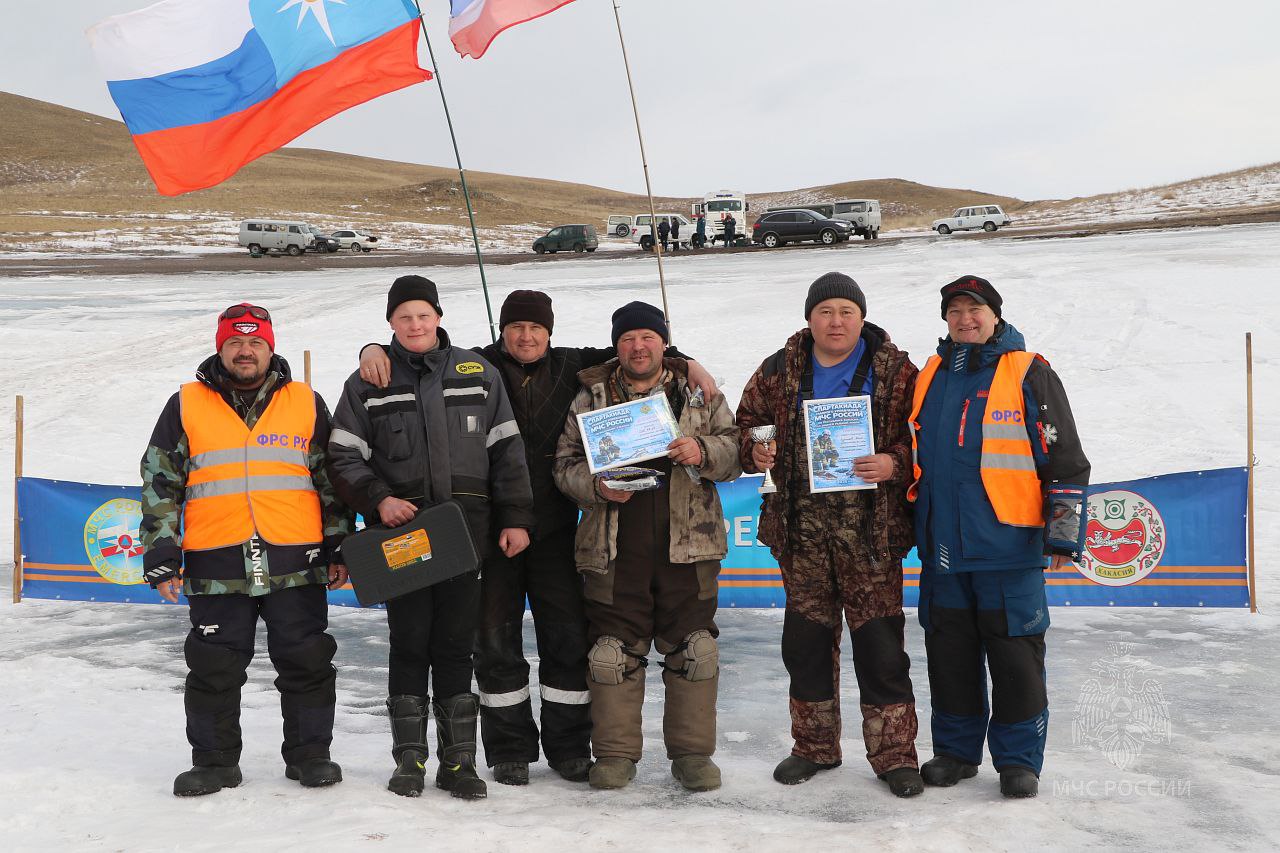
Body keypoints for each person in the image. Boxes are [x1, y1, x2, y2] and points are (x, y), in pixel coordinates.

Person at [356, 292, 719, 788]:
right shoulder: (475, 366)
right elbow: (422, 351)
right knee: (493, 641)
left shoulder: (574, 365)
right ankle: (509, 749)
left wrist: (688, 361)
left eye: (536, 327)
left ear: (550, 331)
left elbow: (635, 351)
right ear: (501, 330)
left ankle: (569, 748)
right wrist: (372, 348)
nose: (526, 336)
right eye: (515, 327)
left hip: (555, 529)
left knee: (566, 638)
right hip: (492, 531)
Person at [328, 275, 535, 801]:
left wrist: (516, 517)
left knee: (454, 646)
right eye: (404, 317)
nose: (415, 325)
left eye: (423, 315)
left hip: (466, 536)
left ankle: (459, 763)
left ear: (438, 317)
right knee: (409, 642)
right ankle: (410, 760)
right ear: (390, 324)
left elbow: (508, 452)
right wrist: (378, 499)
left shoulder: (477, 371)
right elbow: (342, 457)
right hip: (400, 537)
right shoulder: (366, 381)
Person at [139, 303, 353, 797]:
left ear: (270, 348)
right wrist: (162, 550)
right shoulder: (186, 403)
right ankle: (214, 762)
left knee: (306, 658)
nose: (245, 351)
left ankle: (310, 755)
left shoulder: (305, 400)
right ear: (221, 347)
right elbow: (159, 479)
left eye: (255, 342)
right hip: (216, 558)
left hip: (294, 557)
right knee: (213, 663)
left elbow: (332, 479)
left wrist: (339, 543)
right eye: (235, 342)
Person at [735, 273, 924, 798]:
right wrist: (756, 450)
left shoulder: (897, 370)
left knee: (881, 649)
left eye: (845, 310)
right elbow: (746, 422)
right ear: (809, 318)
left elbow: (923, 436)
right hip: (803, 536)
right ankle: (813, 746)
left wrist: (895, 463)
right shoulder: (780, 368)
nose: (835, 321)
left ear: (861, 317)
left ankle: (895, 756)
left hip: (871, 535)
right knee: (806, 646)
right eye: (825, 311)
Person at [909, 275, 1089, 799]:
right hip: (943, 549)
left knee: (1015, 658)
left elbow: (1066, 459)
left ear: (995, 315)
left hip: (1008, 547)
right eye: (955, 311)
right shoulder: (933, 373)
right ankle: (956, 752)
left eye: (975, 309)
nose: (965, 319)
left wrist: (1062, 536)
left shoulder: (1029, 371)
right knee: (950, 656)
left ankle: (1018, 760)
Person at [553, 301, 742, 792]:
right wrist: (596, 488)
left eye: (648, 337)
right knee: (612, 657)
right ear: (617, 345)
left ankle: (693, 757)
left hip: (690, 547)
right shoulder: (590, 397)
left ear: (663, 342)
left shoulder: (698, 391)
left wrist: (704, 451)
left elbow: (736, 449)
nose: (638, 347)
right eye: (628, 339)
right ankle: (615, 756)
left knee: (695, 652)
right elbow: (564, 466)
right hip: (614, 552)